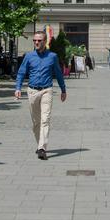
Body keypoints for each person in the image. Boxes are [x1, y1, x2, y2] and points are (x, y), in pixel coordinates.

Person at [14, 32, 67, 160]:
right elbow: (21, 73)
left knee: (45, 119)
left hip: (46, 90)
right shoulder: (29, 56)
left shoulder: (52, 56)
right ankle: (39, 144)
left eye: (39, 40)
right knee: (36, 122)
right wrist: (18, 88)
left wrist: (63, 89)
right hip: (32, 91)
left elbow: (58, 74)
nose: (36, 43)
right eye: (34, 40)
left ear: (45, 41)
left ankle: (42, 148)